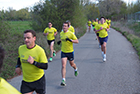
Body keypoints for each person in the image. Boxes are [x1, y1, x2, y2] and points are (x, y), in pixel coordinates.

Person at [15, 30, 48, 94]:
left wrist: (34, 62)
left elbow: (45, 66)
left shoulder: (40, 50)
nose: (26, 40)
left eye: (28, 38)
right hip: (26, 81)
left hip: (39, 80)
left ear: (34, 38)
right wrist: (17, 66)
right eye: (24, 38)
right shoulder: (21, 48)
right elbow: (19, 57)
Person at [57, 22, 79, 86]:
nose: (64, 27)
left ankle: (75, 69)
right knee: (63, 65)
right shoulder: (61, 33)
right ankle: (63, 80)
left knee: (72, 64)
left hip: (70, 52)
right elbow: (62, 39)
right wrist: (59, 41)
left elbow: (77, 41)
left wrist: (71, 40)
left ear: (68, 27)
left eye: (65, 26)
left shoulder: (71, 34)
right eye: (63, 26)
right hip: (63, 52)